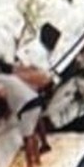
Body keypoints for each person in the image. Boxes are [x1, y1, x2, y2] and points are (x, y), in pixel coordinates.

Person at [0, 61, 44, 167]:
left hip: (27, 106)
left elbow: (3, 94)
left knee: (26, 139)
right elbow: (11, 97)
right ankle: (37, 160)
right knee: (32, 134)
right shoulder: (10, 78)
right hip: (36, 101)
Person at [14, 22, 60, 152]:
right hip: (35, 89)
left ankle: (33, 145)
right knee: (36, 117)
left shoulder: (35, 48)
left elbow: (23, 62)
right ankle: (43, 143)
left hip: (27, 89)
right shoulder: (44, 52)